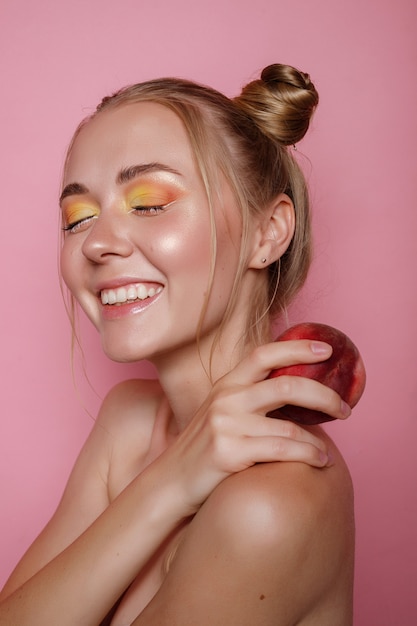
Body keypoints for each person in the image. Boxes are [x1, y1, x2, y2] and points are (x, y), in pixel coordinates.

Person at [0, 63, 355, 625]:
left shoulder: (272, 502)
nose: (97, 243)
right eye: (77, 217)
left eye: (148, 203)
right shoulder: (129, 423)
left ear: (268, 233)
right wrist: (170, 482)